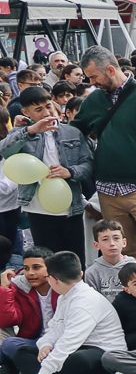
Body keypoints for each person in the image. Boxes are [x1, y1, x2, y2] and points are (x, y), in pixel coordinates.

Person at [74, 47, 136, 278]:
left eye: (94, 77)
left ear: (110, 69)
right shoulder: (95, 99)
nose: (92, 82)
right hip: (109, 190)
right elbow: (76, 130)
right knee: (124, 253)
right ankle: (134, 301)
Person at [6, 249, 122, 374]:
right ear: (81, 274)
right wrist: (45, 345)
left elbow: (70, 341)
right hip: (76, 349)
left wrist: (43, 372)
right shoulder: (65, 297)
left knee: (79, 361)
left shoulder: (85, 301)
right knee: (22, 352)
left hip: (101, 353)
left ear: (53, 279)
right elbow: (55, 328)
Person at [0, 85, 91, 257]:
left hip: (71, 207)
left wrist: (70, 171)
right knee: (48, 260)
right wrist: (30, 131)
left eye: (48, 106)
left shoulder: (72, 132)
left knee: (75, 258)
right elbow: (5, 150)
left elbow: (88, 164)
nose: (46, 113)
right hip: (37, 208)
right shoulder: (21, 133)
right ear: (26, 112)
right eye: (38, 109)